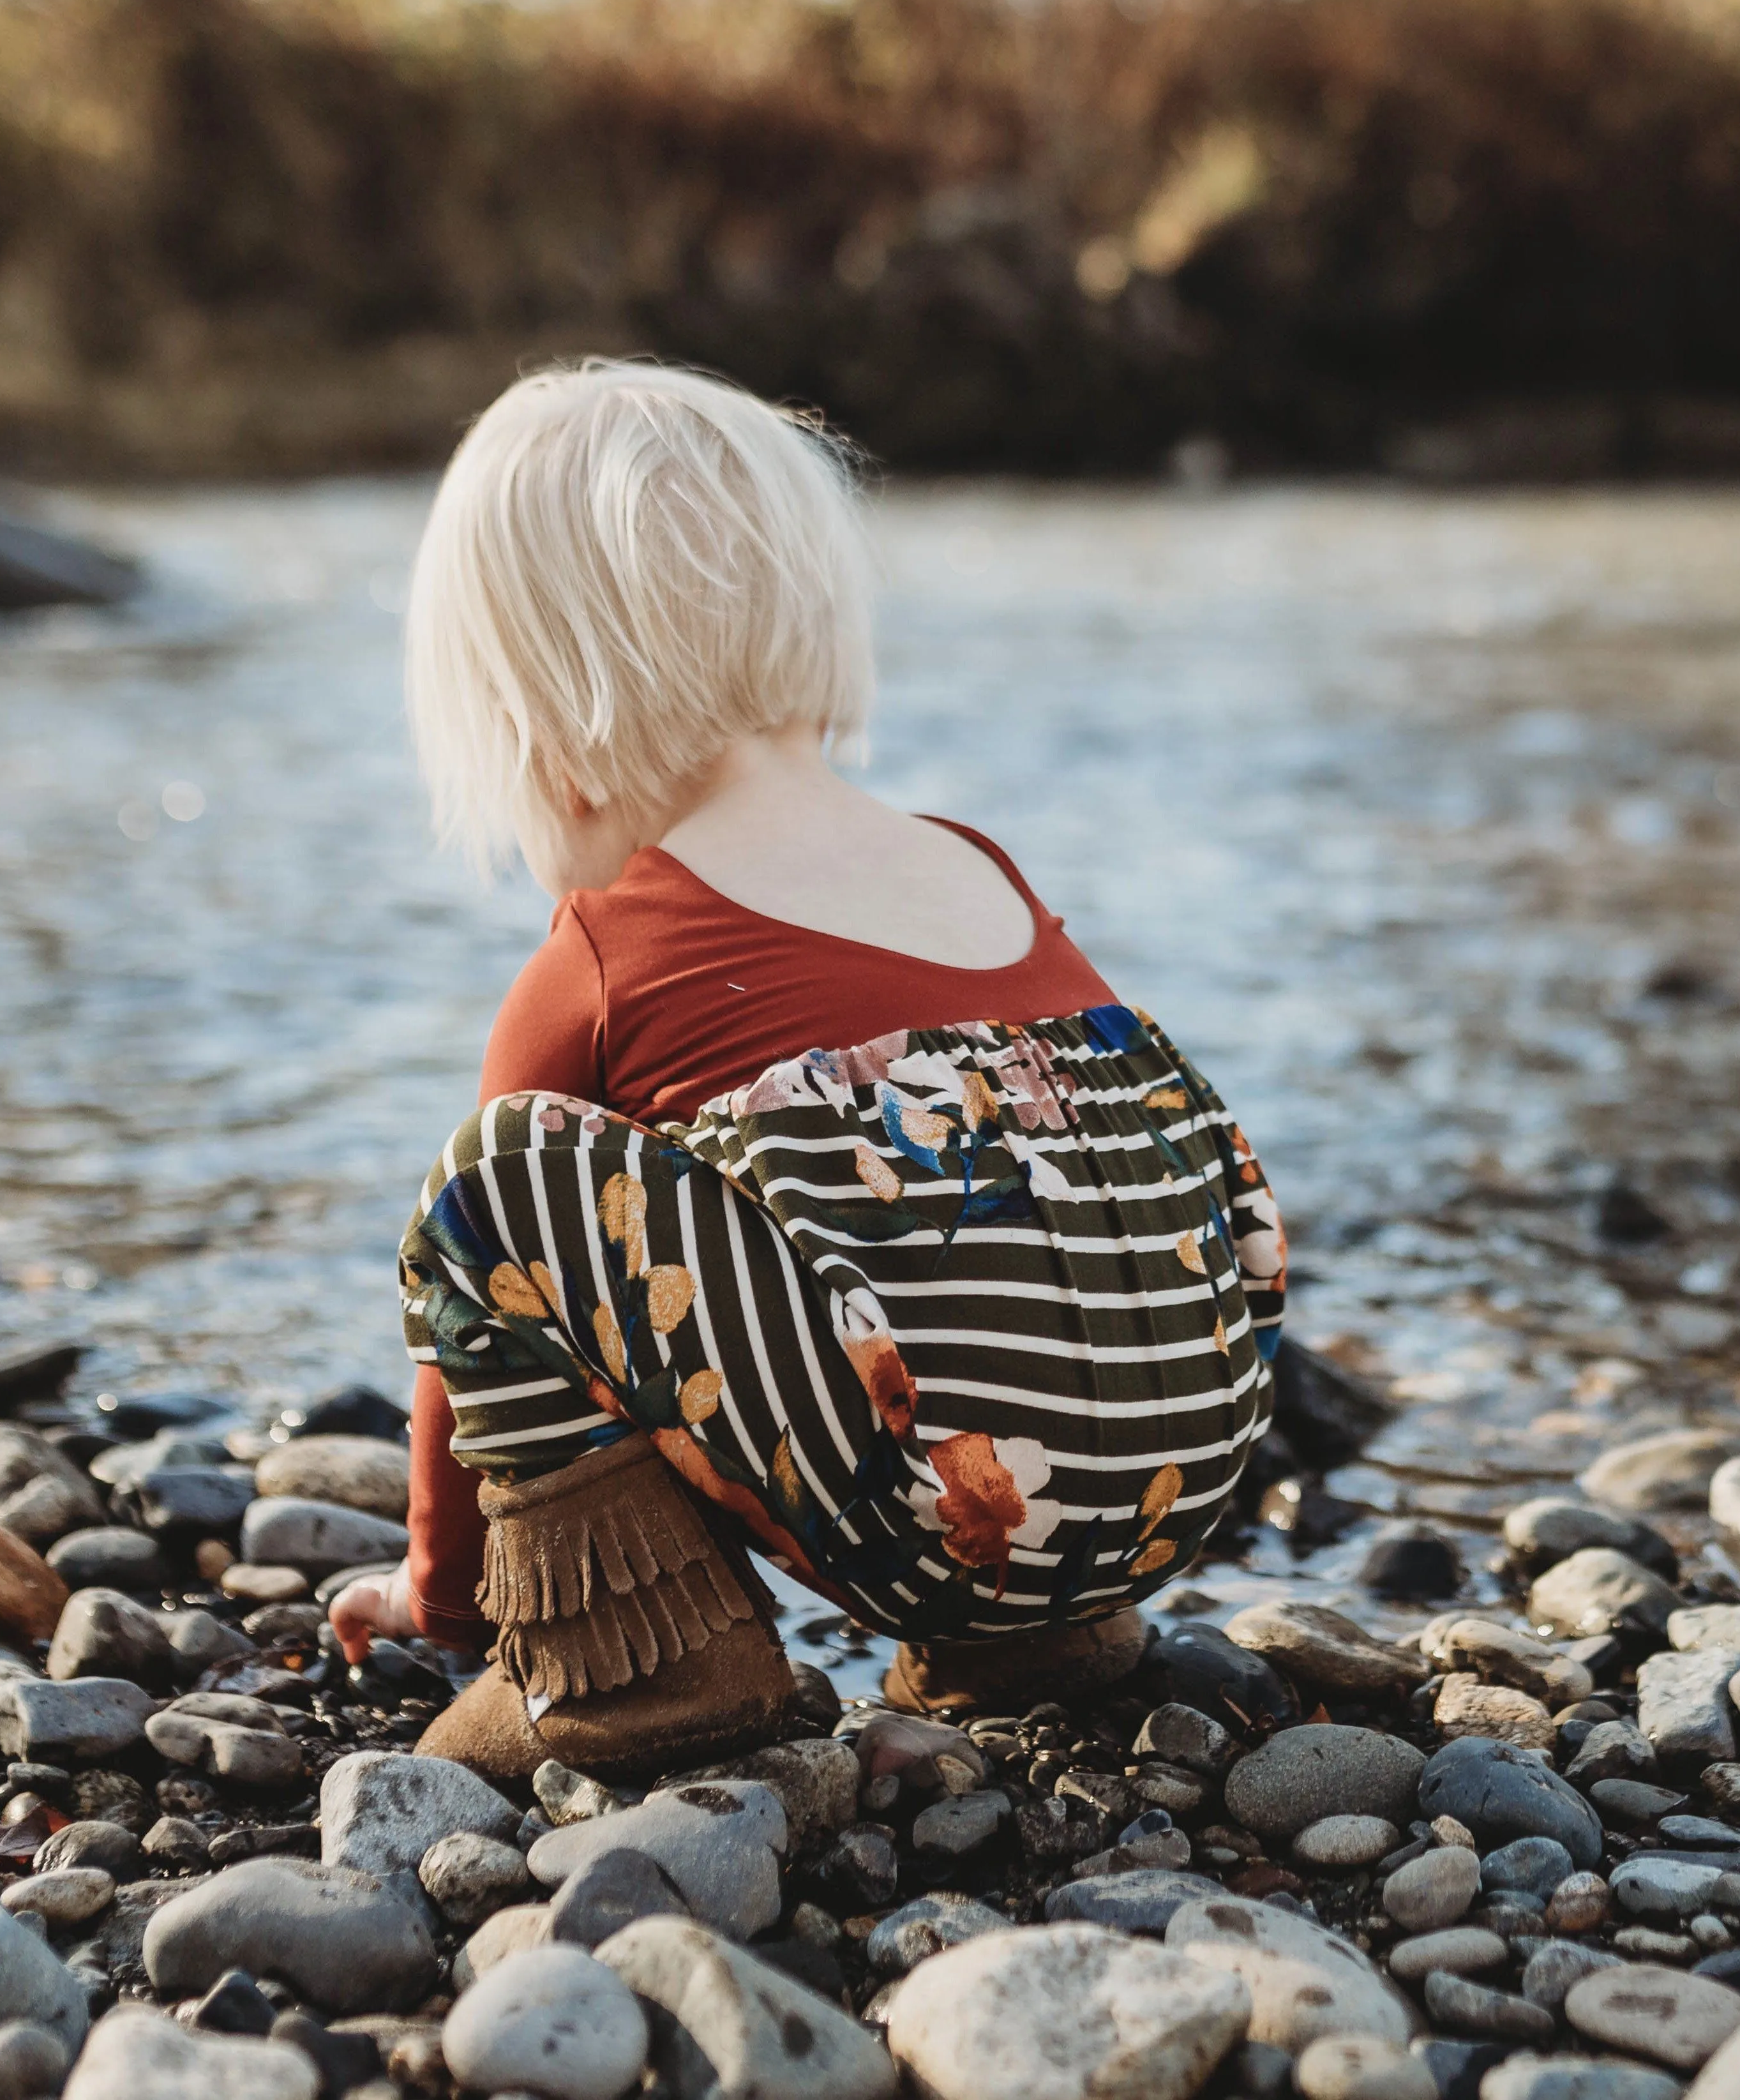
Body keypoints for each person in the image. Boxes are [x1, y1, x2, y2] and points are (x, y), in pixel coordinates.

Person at [329, 359, 1286, 1781]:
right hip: (1176, 1489)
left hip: (937, 1520)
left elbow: (460, 1334)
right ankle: (1033, 1639)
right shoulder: (977, 866)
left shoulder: (606, 946)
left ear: (538, 725)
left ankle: (635, 1663)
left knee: (491, 1193)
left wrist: (445, 1591)